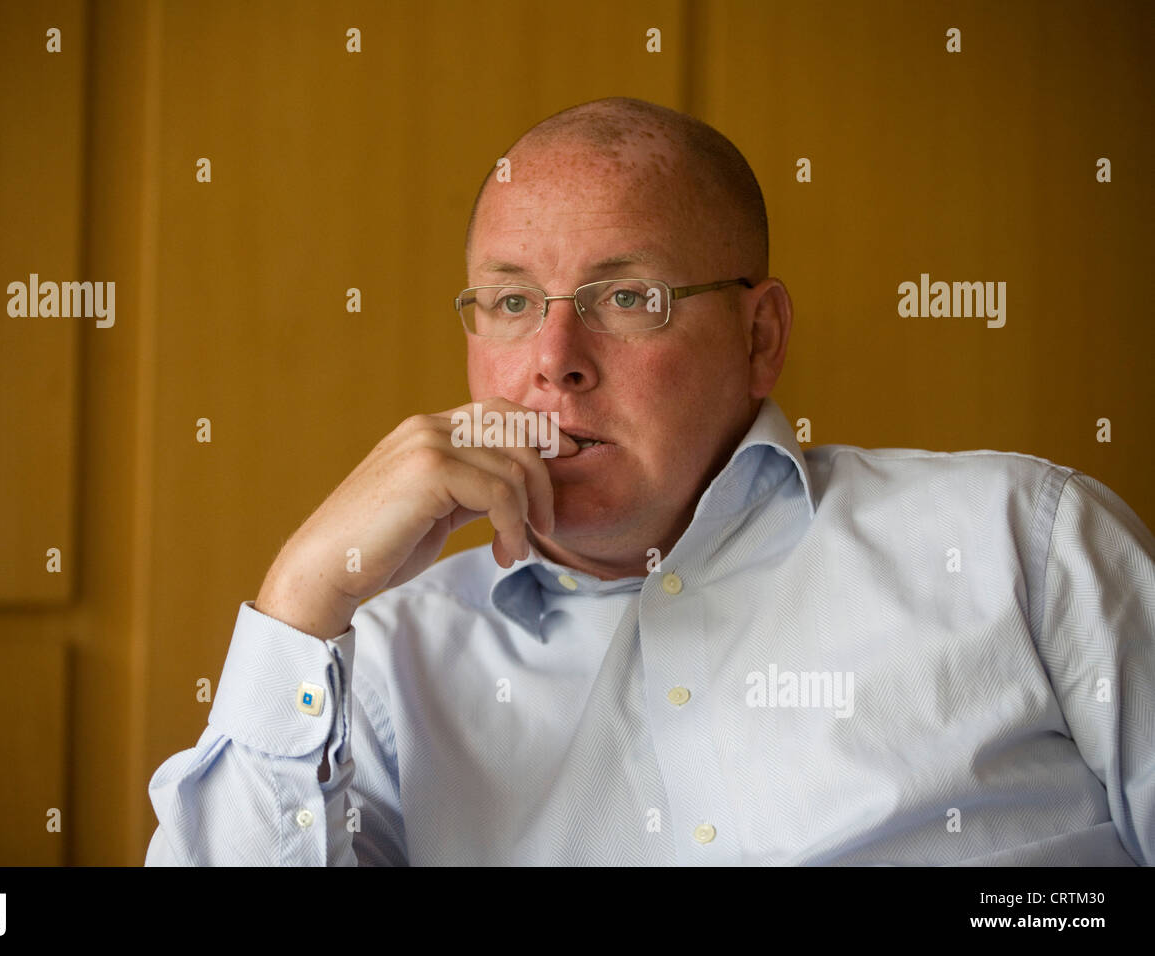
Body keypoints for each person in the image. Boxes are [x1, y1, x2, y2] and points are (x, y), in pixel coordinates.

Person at [145, 96, 1155, 865]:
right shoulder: (377, 675)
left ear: (758, 338)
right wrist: (299, 598)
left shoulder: (1022, 543)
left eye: (626, 295)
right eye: (509, 301)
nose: (552, 357)